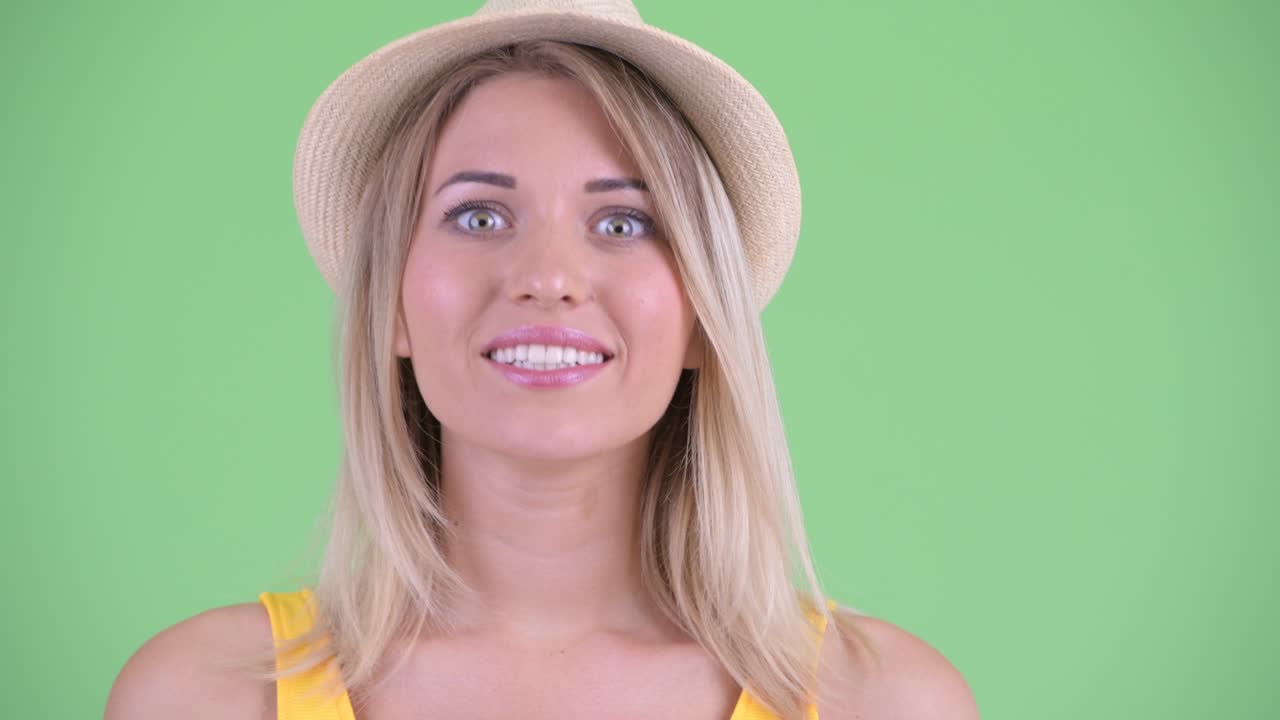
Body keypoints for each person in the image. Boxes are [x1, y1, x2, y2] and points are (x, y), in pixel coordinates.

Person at [105, 2, 979, 719]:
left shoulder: (888, 704)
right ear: (392, 304)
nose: (549, 278)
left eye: (623, 222)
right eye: (480, 216)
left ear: (702, 321)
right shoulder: (204, 697)